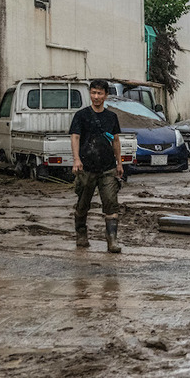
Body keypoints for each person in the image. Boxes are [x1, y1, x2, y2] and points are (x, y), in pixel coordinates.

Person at [69, 79, 124, 253]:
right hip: (86, 167)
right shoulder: (81, 115)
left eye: (100, 93)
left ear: (106, 96)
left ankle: (112, 241)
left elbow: (115, 140)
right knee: (83, 204)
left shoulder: (111, 117)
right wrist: (76, 159)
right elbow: (75, 137)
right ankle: (81, 234)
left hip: (107, 168)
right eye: (93, 93)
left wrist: (119, 163)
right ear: (90, 94)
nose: (96, 96)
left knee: (111, 203)